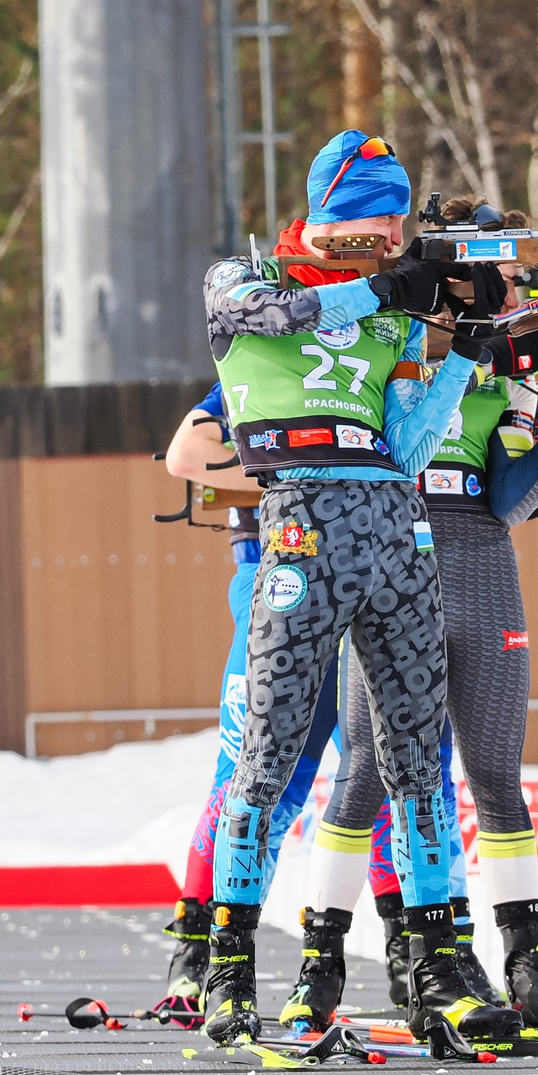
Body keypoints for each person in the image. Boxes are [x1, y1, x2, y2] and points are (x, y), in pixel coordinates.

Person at [199, 130, 519, 1052]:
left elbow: (407, 447)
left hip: (397, 535)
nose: (390, 231)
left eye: (396, 219)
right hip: (301, 530)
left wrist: (465, 346)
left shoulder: (389, 318)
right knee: (268, 754)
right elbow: (274, 319)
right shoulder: (239, 278)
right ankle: (228, 968)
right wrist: (385, 287)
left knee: (420, 762)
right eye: (378, 214)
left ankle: (436, 962)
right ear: (336, 208)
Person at [285, 289, 538, 1033]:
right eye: (484, 296)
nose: (502, 309)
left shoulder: (503, 384)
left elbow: (513, 499)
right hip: (394, 563)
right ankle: (319, 964)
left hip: (484, 572)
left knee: (495, 774)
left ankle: (528, 963)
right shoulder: (386, 350)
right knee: (365, 772)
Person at [157, 385, 338, 1007]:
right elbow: (186, 452)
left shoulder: (373, 351)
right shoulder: (251, 366)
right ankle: (198, 944)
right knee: (248, 770)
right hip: (271, 574)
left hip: (362, 578)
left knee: (376, 771)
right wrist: (293, 472)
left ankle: (408, 953)